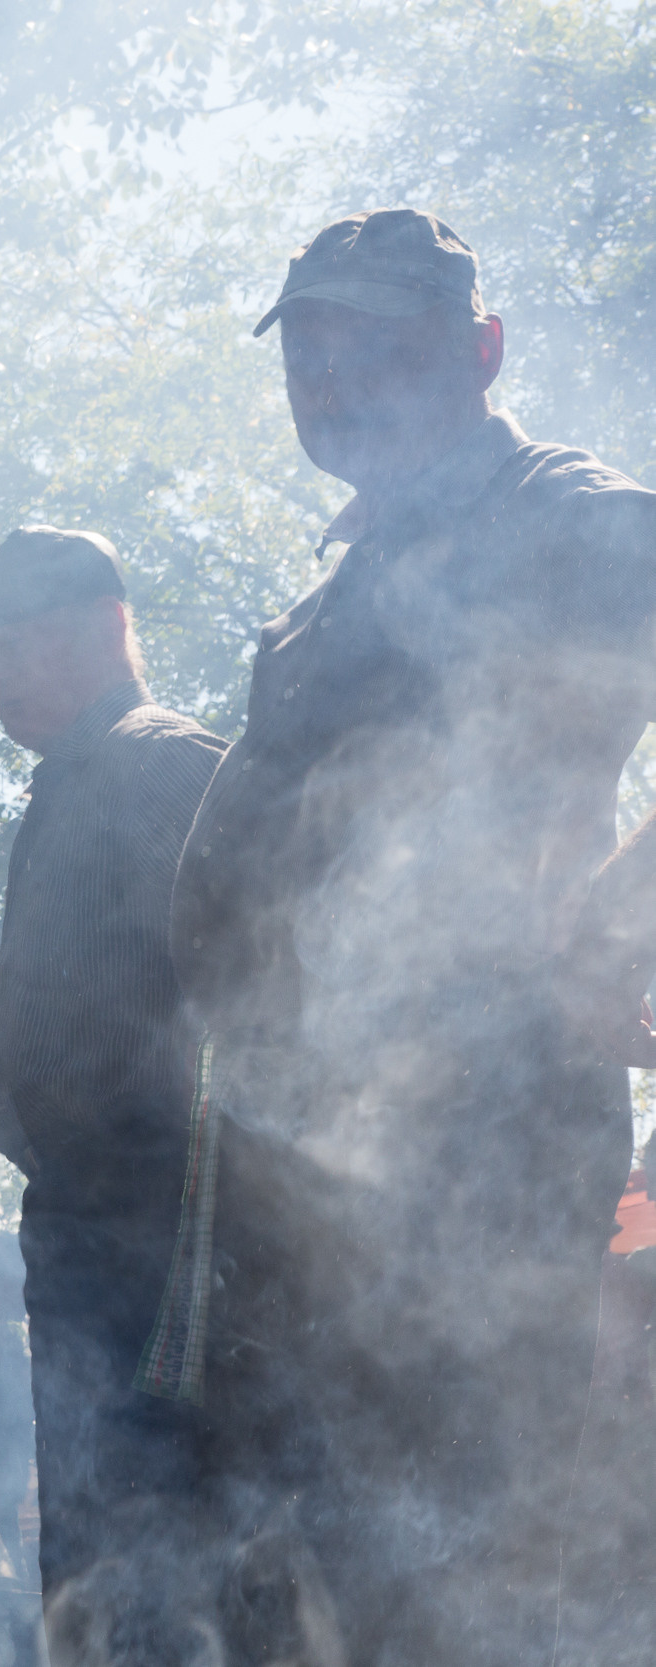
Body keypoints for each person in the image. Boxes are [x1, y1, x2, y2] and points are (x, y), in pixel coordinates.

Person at [166, 208, 656, 1666]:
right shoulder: (326, 592)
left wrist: (618, 920)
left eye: (380, 346)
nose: (334, 384)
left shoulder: (559, 512)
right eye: (309, 360)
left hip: (477, 1160)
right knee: (304, 1585)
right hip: (296, 1170)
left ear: (484, 350)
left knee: (458, 1582)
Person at [0, 527, 226, 1658]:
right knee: (92, 1556)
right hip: (81, 1232)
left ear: (110, 625)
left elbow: (261, 1002)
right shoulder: (64, 781)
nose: (2, 672)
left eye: (26, 642)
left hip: (166, 1241)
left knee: (157, 1557)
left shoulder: (168, 766)